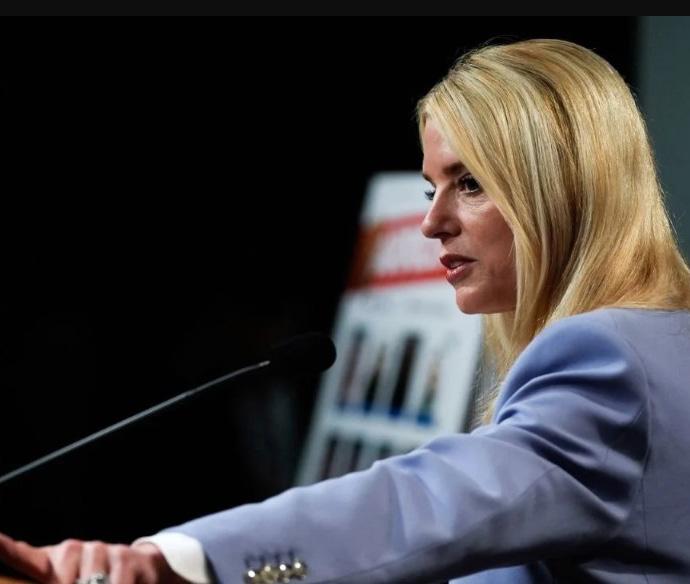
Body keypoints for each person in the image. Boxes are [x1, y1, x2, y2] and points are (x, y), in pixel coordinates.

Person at [3, 37, 690, 583]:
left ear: (560, 191)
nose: (432, 222)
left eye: (471, 183)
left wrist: (175, 560)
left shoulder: (607, 362)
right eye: (430, 188)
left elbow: (421, 504)